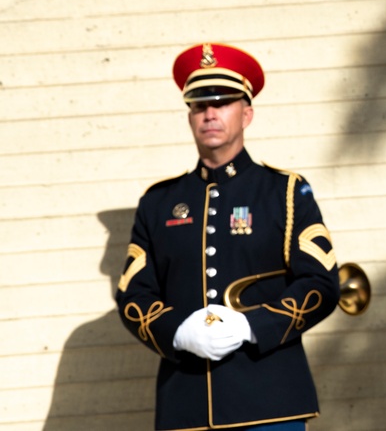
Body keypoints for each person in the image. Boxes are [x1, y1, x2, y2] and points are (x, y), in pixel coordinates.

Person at [116, 42, 341, 431]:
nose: (209, 113)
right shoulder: (158, 202)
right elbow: (133, 294)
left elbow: (320, 283)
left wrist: (252, 325)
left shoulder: (286, 192)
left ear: (247, 113)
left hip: (271, 403)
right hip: (186, 408)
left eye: (222, 102)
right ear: (189, 116)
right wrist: (177, 333)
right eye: (199, 105)